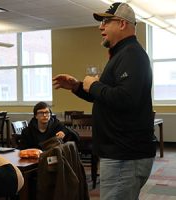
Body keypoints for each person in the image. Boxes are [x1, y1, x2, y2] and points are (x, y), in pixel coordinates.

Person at [53, 2, 156, 200]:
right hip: (121, 155)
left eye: (106, 21)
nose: (101, 27)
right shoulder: (122, 55)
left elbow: (126, 99)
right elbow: (107, 98)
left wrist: (93, 85)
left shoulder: (132, 55)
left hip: (125, 156)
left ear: (123, 24)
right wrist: (77, 86)